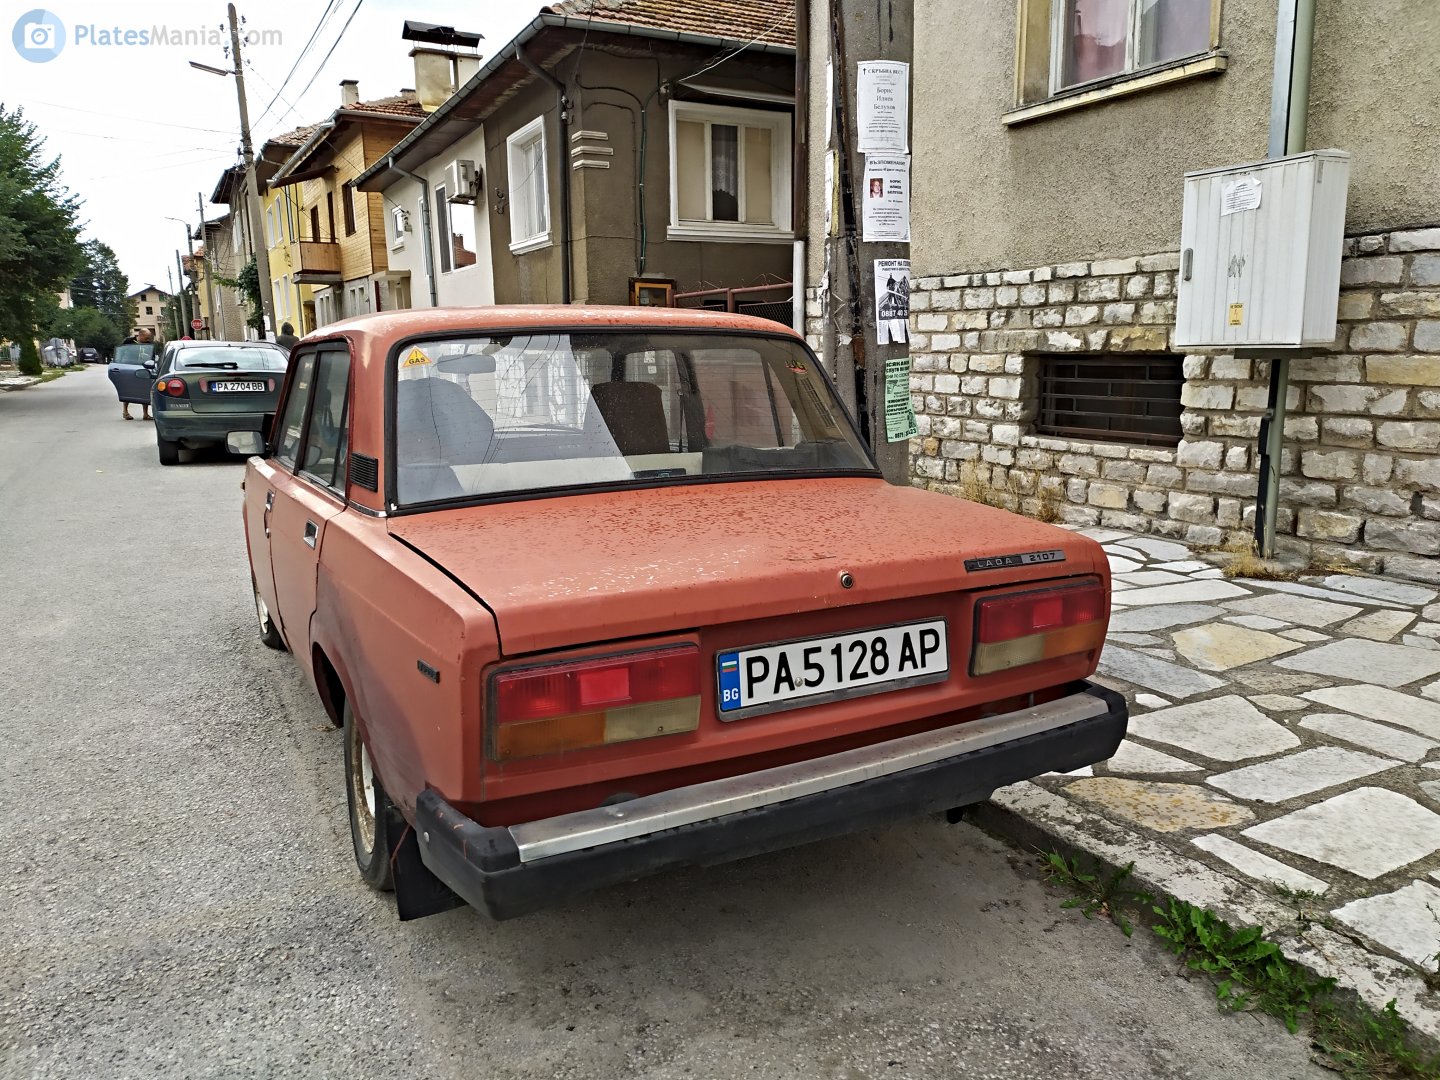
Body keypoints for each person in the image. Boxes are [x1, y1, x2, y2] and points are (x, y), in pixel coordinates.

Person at [118, 328, 155, 421]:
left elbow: (152, 356)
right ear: (140, 335)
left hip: (143, 368)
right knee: (127, 389)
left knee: (145, 389)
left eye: (148, 338)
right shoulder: (129, 341)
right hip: (129, 368)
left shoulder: (148, 344)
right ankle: (125, 412)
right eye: (146, 338)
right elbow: (120, 352)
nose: (148, 340)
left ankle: (145, 414)